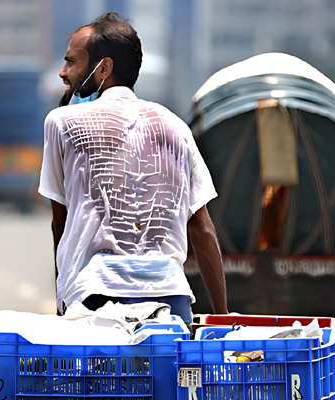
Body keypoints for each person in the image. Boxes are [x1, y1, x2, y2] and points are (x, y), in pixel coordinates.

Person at [39, 12, 228, 323]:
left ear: (103, 68)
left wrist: (63, 298)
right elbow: (202, 228)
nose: (63, 72)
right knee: (168, 372)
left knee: (100, 374)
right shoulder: (176, 127)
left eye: (72, 62)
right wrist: (221, 315)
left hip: (95, 297)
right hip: (171, 298)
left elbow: (60, 221)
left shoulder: (62, 123)